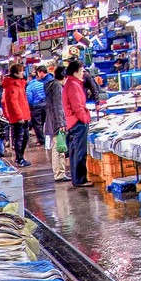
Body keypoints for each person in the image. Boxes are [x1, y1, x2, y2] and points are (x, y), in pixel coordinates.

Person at [62, 59, 93, 188]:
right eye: (81, 71)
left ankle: (77, 179)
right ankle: (80, 179)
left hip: (72, 122)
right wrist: (85, 119)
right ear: (75, 72)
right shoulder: (73, 85)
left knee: (75, 152)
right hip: (78, 122)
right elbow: (78, 106)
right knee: (80, 152)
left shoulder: (70, 83)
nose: (83, 73)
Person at [1, 64, 31, 167]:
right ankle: (19, 158)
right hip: (18, 118)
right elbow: (13, 103)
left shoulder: (19, 85)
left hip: (24, 115)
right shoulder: (11, 87)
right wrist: (19, 116)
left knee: (25, 137)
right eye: (21, 71)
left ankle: (21, 157)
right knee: (19, 138)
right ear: (15, 73)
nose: (23, 73)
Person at [45, 66, 70, 183]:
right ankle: (59, 173)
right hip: (56, 122)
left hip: (52, 120)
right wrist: (61, 124)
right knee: (58, 148)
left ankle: (60, 172)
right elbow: (59, 106)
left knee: (57, 148)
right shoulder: (57, 87)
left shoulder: (52, 85)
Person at [26, 65, 51, 146]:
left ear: (29, 78)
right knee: (44, 123)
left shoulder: (29, 87)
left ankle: (41, 140)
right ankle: (46, 138)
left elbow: (29, 98)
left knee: (37, 124)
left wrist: (30, 107)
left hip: (36, 107)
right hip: (45, 105)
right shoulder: (41, 83)